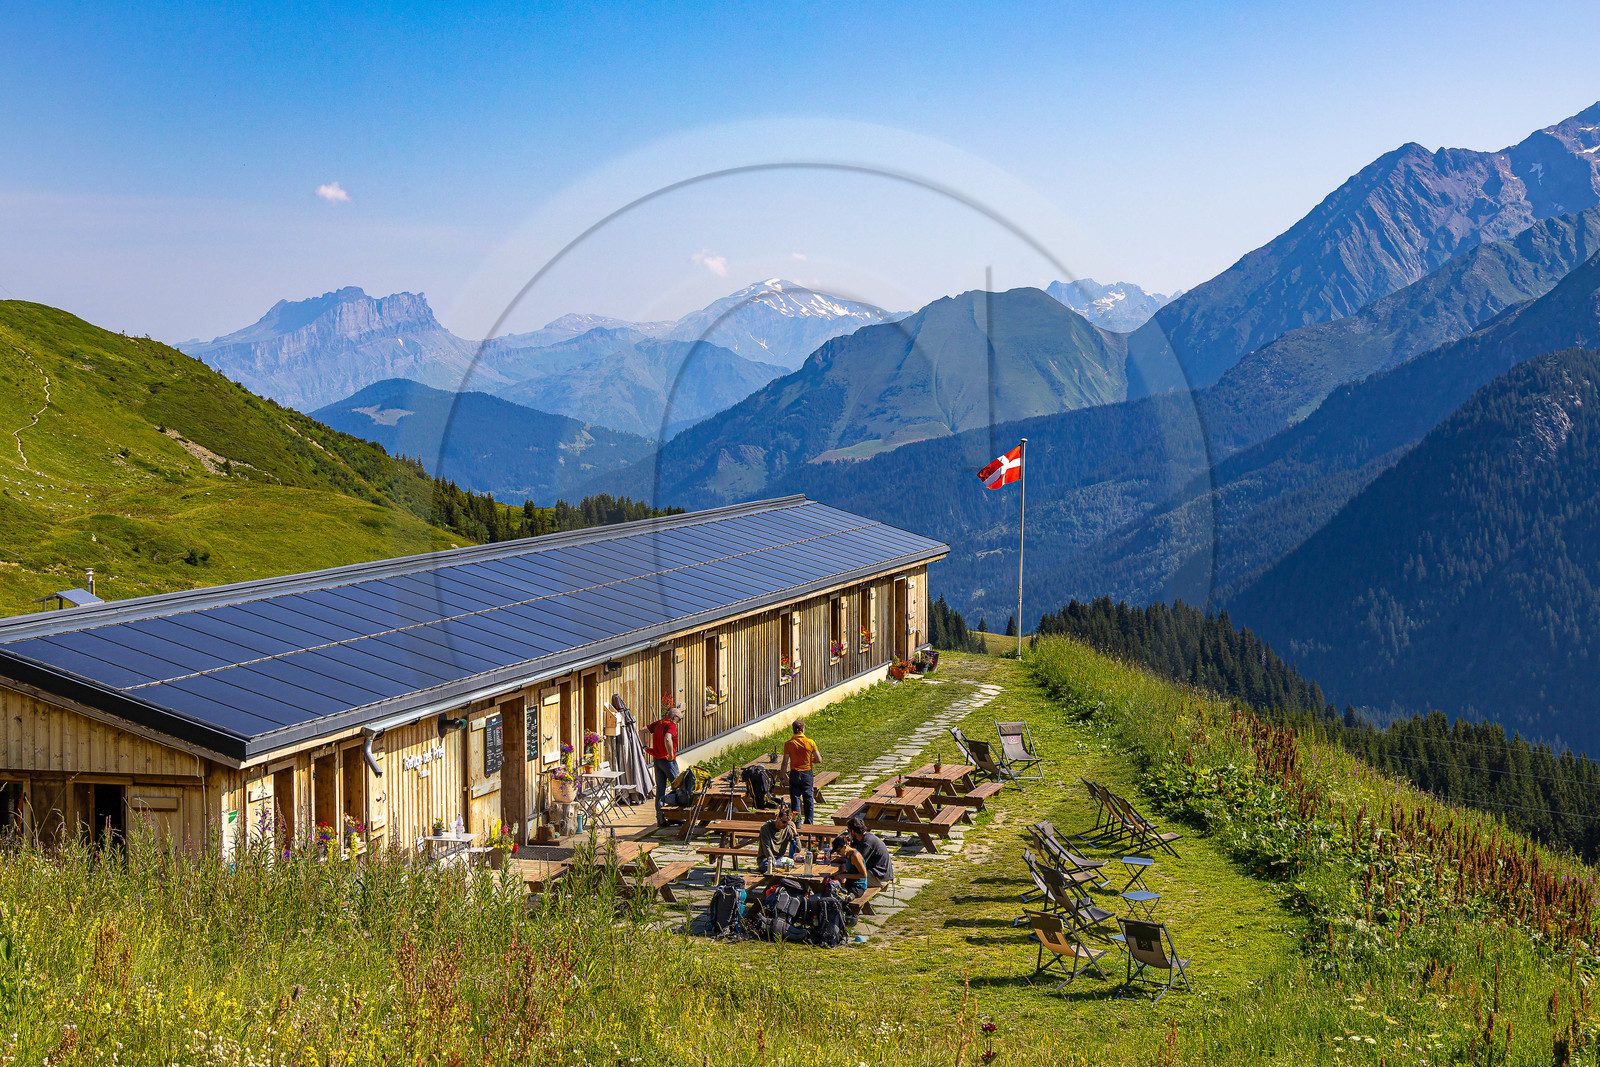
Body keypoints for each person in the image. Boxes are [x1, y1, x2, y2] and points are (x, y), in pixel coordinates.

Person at [646, 706, 683, 826]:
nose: (678, 722)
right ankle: (675, 816)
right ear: (674, 717)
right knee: (679, 787)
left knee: (660, 790)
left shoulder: (658, 723)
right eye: (679, 719)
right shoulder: (671, 725)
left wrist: (645, 746)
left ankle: (660, 819)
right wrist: (670, 754)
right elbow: (667, 738)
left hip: (657, 761)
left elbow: (642, 730)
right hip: (668, 761)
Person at [780, 720, 821, 826]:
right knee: (808, 799)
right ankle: (809, 824)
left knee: (795, 800)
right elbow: (819, 759)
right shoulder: (810, 742)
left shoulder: (788, 744)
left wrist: (782, 777)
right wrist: (810, 760)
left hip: (794, 774)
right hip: (807, 774)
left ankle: (797, 823)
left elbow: (785, 762)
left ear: (793, 730)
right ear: (803, 730)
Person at [847, 814, 893, 884]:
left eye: (848, 830)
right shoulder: (862, 838)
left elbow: (858, 862)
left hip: (879, 876)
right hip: (876, 872)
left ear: (853, 831)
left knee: (848, 880)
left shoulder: (867, 842)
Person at [757, 803, 801, 874]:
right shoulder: (766, 828)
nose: (786, 825)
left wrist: (795, 834)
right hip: (766, 859)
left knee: (792, 865)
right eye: (784, 822)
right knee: (769, 866)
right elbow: (766, 848)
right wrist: (775, 864)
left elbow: (798, 849)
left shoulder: (787, 828)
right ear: (778, 818)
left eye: (788, 823)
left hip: (780, 858)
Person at [829, 832, 870, 898]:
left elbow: (863, 875)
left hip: (857, 888)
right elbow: (852, 871)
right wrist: (839, 874)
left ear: (844, 847)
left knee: (836, 895)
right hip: (850, 884)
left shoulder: (855, 856)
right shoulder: (848, 854)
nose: (838, 854)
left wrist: (844, 876)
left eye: (838, 851)